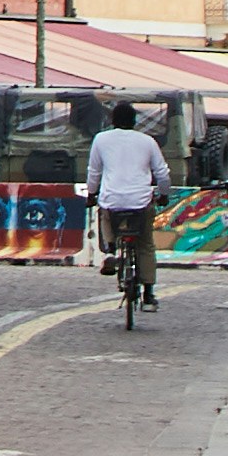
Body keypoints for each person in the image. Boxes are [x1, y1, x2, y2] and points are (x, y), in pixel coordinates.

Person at [82, 99, 170, 308]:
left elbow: (94, 172)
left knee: (103, 212)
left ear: (112, 120)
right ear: (135, 121)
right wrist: (164, 194)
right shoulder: (147, 141)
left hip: (112, 200)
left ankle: (111, 250)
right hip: (140, 201)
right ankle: (148, 294)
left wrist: (91, 194)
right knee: (145, 244)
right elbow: (162, 173)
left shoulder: (101, 140)